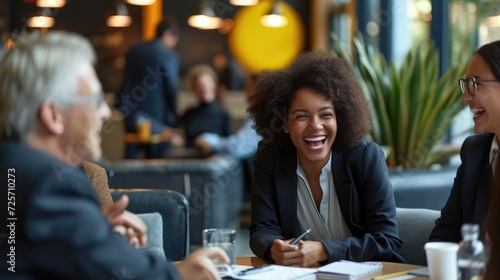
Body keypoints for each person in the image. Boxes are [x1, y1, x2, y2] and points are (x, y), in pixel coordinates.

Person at [0, 30, 228, 279]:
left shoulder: (15, 168)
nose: (106, 113)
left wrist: (91, 231)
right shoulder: (49, 183)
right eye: (97, 99)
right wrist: (181, 274)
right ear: (54, 115)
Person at [247, 51, 404, 267]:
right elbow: (262, 229)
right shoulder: (270, 159)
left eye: (326, 115)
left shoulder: (365, 158)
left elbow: (386, 240)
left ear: (340, 119)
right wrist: (273, 246)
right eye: (302, 116)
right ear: (285, 123)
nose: (316, 125)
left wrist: (324, 250)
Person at [429, 40, 500, 243]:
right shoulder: (475, 153)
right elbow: (442, 239)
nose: (465, 97)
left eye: (475, 84)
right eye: (465, 85)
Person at [116, 16, 183, 159]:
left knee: (131, 159)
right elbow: (171, 88)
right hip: (156, 117)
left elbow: (125, 80)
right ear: (167, 35)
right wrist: (174, 119)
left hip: (130, 113)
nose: (172, 46)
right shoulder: (168, 55)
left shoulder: (134, 49)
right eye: (173, 42)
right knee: (156, 163)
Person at [179, 64, 232, 148]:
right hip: (189, 158)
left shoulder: (223, 114)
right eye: (199, 85)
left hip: (213, 159)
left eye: (207, 84)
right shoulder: (189, 113)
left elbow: (229, 143)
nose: (204, 88)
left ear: (214, 86)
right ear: (194, 89)